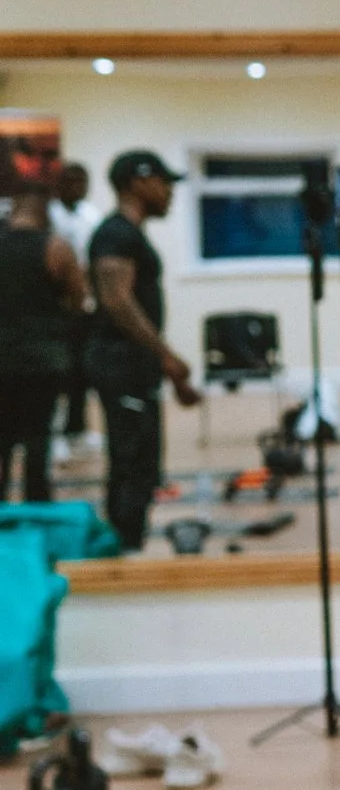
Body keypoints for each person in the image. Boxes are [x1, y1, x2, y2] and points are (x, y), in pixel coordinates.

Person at [87, 150, 201, 552]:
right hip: (121, 365)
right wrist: (167, 357)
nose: (169, 192)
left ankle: (128, 545)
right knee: (131, 461)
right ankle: (124, 551)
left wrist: (162, 363)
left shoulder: (128, 235)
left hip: (134, 367)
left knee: (141, 461)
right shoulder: (116, 234)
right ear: (137, 182)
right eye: (163, 182)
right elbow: (116, 301)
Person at [0, 186, 88, 500]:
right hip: (44, 357)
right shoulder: (56, 247)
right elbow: (79, 299)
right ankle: (36, 505)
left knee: (3, 439)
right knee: (38, 436)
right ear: (43, 213)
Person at [48, 162, 103, 452]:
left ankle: (77, 429)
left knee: (83, 371)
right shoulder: (48, 216)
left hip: (86, 306)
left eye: (83, 181)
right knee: (60, 373)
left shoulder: (92, 217)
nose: (77, 187)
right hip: (56, 308)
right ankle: (54, 435)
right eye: (70, 181)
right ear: (58, 184)